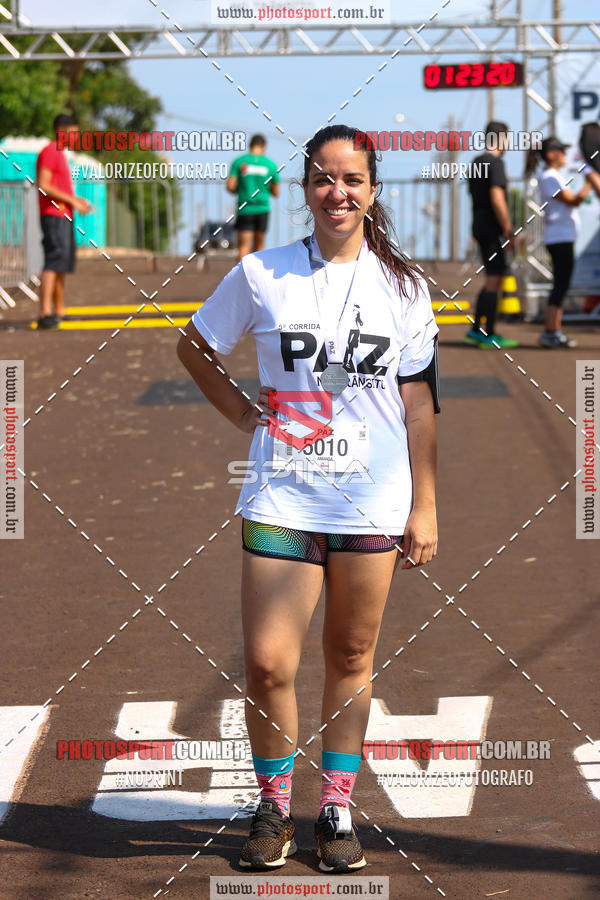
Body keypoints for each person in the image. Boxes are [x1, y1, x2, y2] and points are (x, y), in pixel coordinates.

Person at [177, 124, 440, 873]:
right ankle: (271, 809)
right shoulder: (263, 275)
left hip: (373, 501)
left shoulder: (407, 287)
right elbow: (194, 347)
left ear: (373, 189)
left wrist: (426, 505)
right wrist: (241, 413)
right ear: (304, 190)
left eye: (352, 179)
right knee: (267, 664)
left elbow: (419, 405)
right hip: (282, 499)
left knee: (352, 655)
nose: (338, 192)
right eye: (324, 179)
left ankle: (334, 810)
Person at [525, 136, 590, 348]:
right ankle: (550, 331)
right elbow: (573, 200)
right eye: (561, 151)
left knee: (561, 285)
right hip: (559, 237)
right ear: (552, 154)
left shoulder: (552, 176)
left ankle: (554, 331)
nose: (565, 155)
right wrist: (590, 181)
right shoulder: (549, 177)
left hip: (562, 237)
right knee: (560, 285)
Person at [465, 121, 519, 349]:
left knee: (490, 278)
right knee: (494, 278)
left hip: (479, 224)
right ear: (501, 139)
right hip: (492, 227)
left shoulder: (477, 162)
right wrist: (508, 228)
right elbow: (497, 197)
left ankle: (477, 329)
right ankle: (489, 334)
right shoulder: (495, 163)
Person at [35, 114, 92, 329]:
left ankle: (58, 310)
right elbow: (43, 185)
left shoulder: (60, 154)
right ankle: (44, 313)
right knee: (53, 261)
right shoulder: (51, 151)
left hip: (62, 214)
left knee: (61, 264)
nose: (76, 137)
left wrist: (77, 201)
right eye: (74, 133)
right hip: (53, 215)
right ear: (61, 131)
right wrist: (72, 201)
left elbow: (57, 187)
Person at [227, 134, 280, 261]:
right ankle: (258, 279)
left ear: (250, 145)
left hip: (245, 208)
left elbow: (230, 186)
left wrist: (241, 189)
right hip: (263, 208)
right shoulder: (271, 165)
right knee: (260, 247)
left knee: (243, 248)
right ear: (264, 147)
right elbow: (276, 192)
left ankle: (241, 279)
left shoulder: (239, 162)